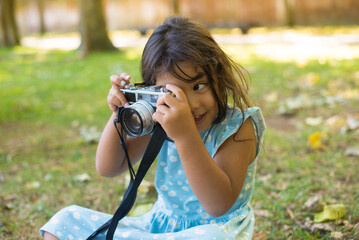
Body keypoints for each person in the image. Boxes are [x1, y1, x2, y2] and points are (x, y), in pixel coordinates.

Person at [40, 16, 265, 240]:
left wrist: (185, 135)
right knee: (62, 222)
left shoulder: (239, 126)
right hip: (159, 229)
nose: (190, 105)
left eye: (198, 86)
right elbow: (108, 167)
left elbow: (218, 205)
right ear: (153, 92)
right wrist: (119, 114)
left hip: (217, 231)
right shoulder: (161, 118)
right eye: (171, 93)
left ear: (219, 76)